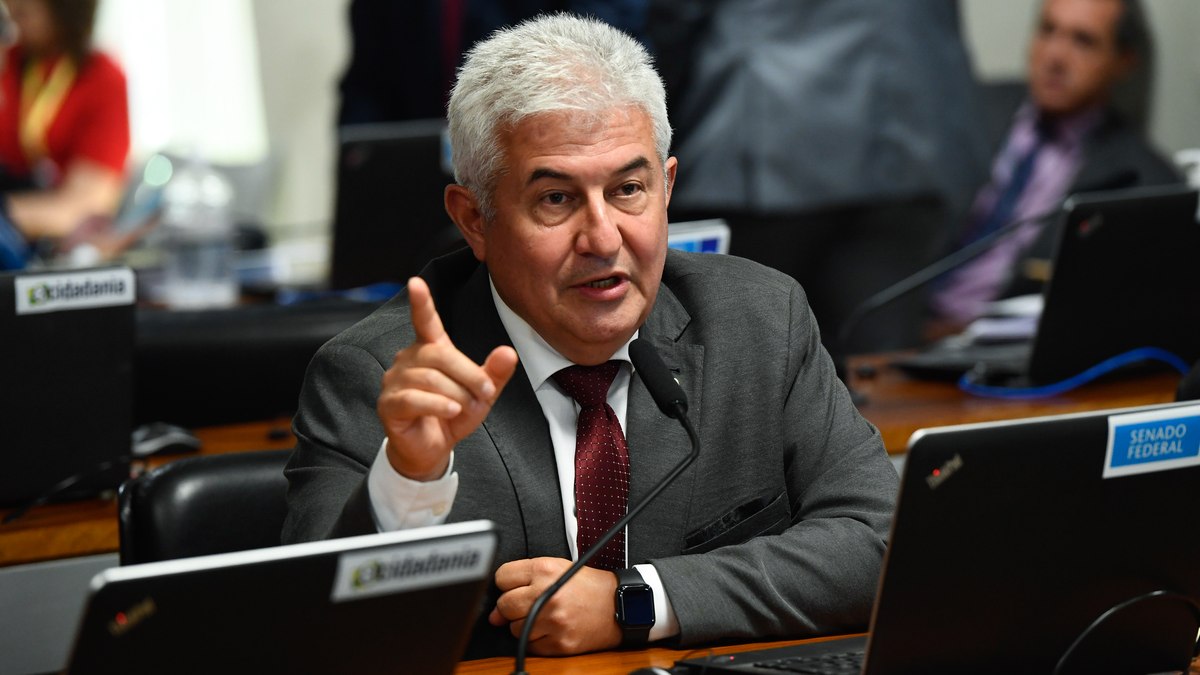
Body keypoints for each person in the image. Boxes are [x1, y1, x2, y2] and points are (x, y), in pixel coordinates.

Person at [284, 13, 897, 660]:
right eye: (555, 199)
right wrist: (410, 474)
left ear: (668, 187)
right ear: (474, 220)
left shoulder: (759, 321)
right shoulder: (381, 374)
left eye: (629, 189)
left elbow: (880, 543)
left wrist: (639, 600)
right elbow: (313, 638)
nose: (603, 237)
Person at [649, 0, 992, 360]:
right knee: (880, 367)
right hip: (907, 130)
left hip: (764, 138)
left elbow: (677, 15)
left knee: (748, 365)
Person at [927, 0, 1182, 336]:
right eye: (1048, 31)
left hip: (993, 356)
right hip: (897, 323)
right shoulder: (969, 106)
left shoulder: (1145, 181)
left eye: (1083, 41)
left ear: (1124, 61)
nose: (1056, 56)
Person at [0, 0, 129, 270]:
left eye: (24, 10)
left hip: (48, 253)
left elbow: (82, 209)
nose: (10, 8)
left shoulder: (101, 77)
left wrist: (6, 212)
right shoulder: (8, 62)